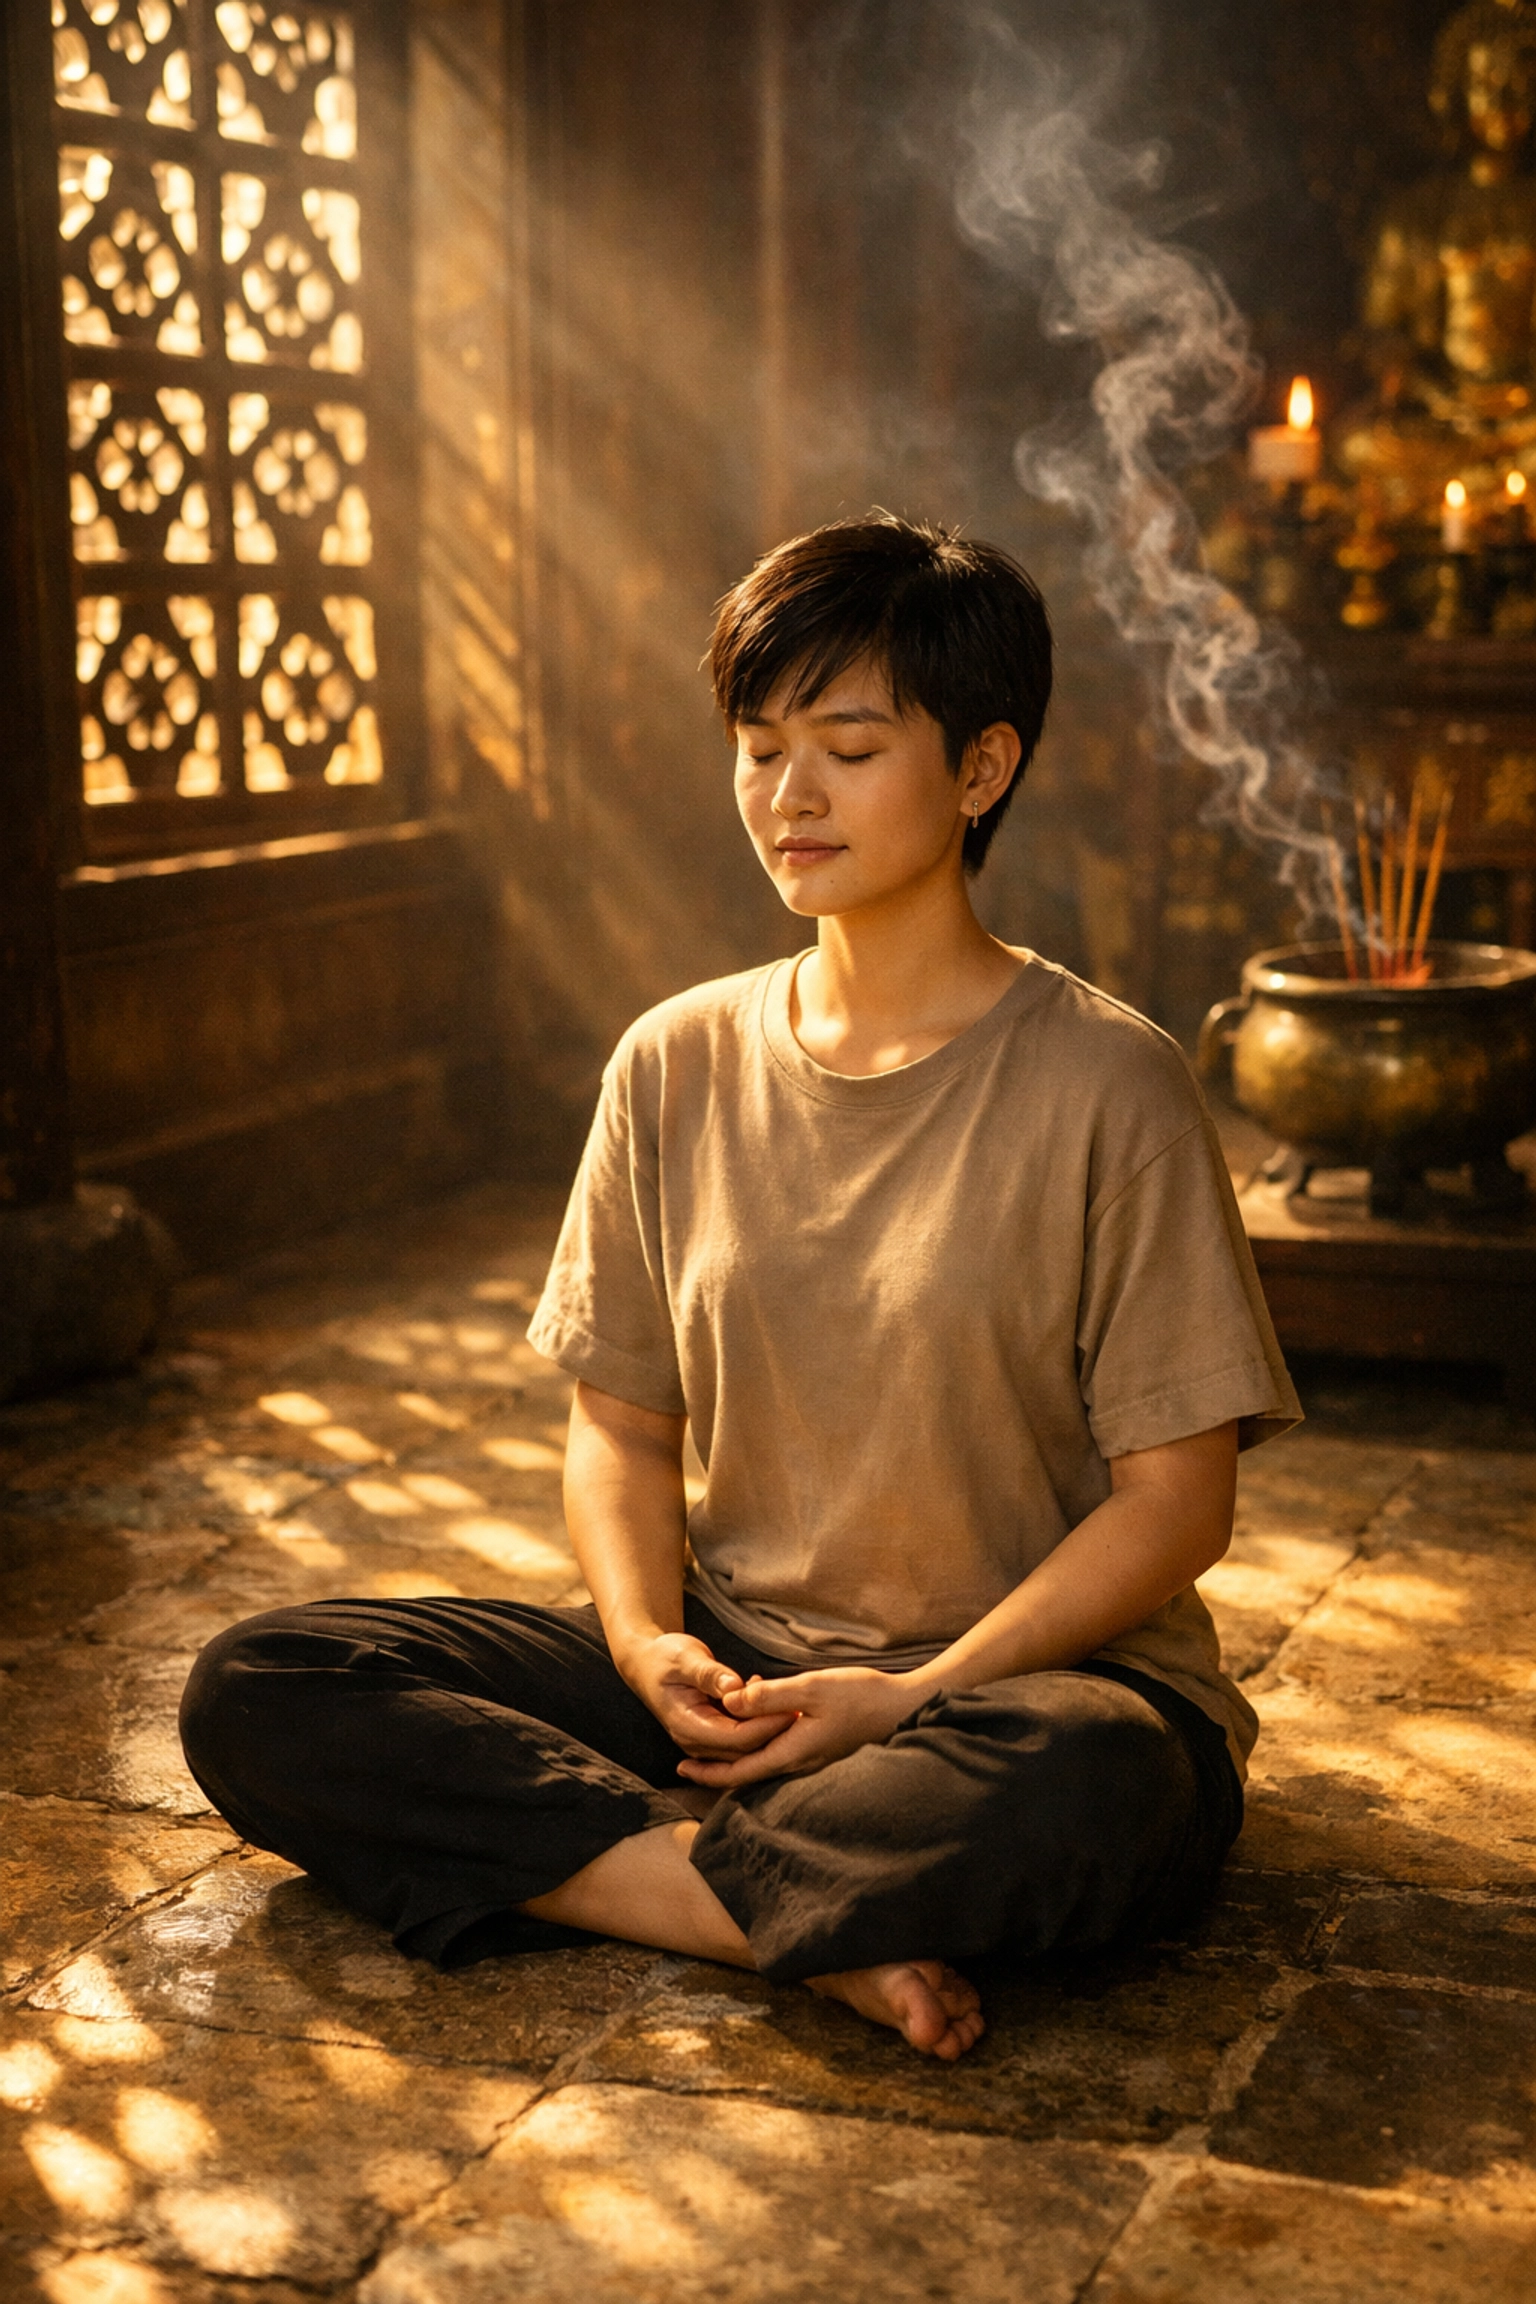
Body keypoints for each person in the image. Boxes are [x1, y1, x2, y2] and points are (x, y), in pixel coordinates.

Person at [181, 514, 1300, 2062]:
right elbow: (623, 1431)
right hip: (732, 1674)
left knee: (1104, 1784)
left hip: (1012, 1691)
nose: (788, 794)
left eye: (846, 745)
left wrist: (908, 1702)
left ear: (982, 770)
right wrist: (648, 1650)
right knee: (270, 1683)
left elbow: (1179, 1506)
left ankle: (672, 1864)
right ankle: (778, 1911)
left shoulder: (1114, 1083)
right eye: (759, 746)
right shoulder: (676, 1060)